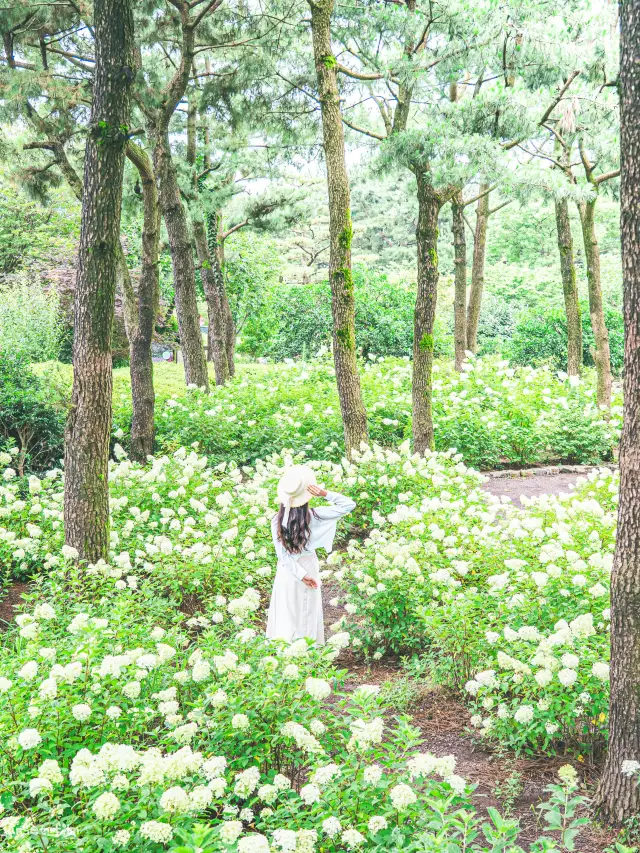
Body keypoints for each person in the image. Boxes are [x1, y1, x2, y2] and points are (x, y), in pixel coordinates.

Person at [266, 464, 355, 645]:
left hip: (287, 570)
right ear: (306, 496)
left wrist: (300, 575)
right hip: (308, 565)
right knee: (306, 611)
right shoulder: (315, 515)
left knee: (286, 610)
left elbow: (282, 555)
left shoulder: (276, 520)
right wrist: (323, 493)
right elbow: (349, 505)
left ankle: (285, 653)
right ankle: (307, 651)